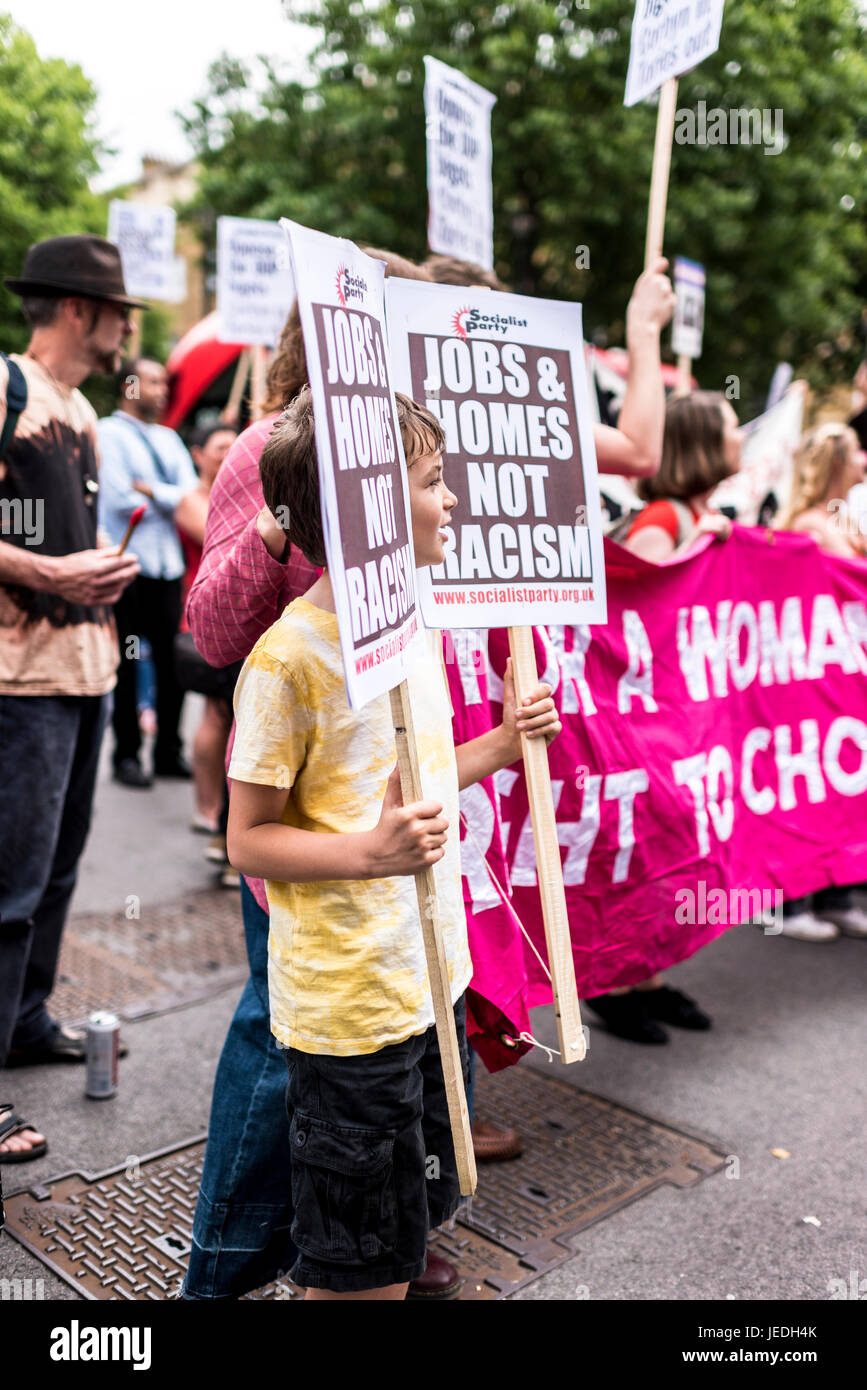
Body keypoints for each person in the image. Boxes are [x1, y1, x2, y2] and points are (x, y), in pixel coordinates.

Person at [227, 387, 560, 1299]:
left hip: (429, 981)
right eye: (431, 481)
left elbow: (403, 785)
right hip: (350, 1015)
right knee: (354, 1269)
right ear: (370, 508)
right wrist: (368, 855)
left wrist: (498, 744)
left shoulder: (405, 627)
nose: (452, 500)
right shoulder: (286, 661)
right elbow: (248, 840)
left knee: (405, 1240)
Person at [0, 235, 141, 1165]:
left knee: (54, 874)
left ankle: (25, 1018)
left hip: (86, 674)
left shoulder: (85, 410)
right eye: (122, 312)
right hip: (18, 681)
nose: (132, 329)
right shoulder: (3, 387)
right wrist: (49, 568)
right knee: (5, 889)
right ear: (81, 311)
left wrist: (98, 578)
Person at [587, 390, 741, 1043]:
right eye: (732, 425)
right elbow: (632, 590)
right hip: (643, 718)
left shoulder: (696, 515)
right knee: (644, 848)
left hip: (677, 712)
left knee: (671, 849)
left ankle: (645, 976)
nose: (740, 436)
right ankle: (614, 986)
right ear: (704, 442)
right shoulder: (663, 516)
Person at [773, 421, 867, 942]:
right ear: (835, 462)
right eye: (855, 451)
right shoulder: (809, 526)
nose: (864, 459)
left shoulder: (846, 521)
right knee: (809, 786)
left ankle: (838, 892)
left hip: (848, 683)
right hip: (816, 685)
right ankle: (791, 903)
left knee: (847, 789)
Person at [98, 357, 199, 787]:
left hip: (166, 566)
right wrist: (168, 497)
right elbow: (122, 499)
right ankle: (126, 754)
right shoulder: (108, 434)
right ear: (130, 387)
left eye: (164, 382)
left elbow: (191, 493)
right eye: (153, 382)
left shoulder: (169, 438)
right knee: (128, 658)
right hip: (129, 565)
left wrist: (154, 489)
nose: (162, 389)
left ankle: (167, 752)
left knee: (171, 661)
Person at [174, 423, 238, 841]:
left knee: (232, 715)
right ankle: (207, 807)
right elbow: (227, 544)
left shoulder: (236, 497)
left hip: (237, 616)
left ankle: (223, 811)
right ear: (198, 454)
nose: (228, 454)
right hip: (202, 617)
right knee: (215, 713)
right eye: (220, 448)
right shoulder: (192, 500)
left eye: (235, 447)